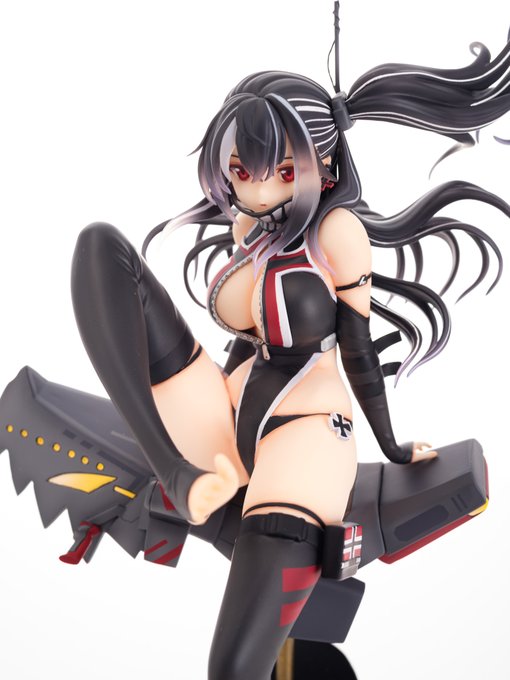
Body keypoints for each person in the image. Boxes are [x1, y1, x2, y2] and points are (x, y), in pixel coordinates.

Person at [70, 29, 510, 680]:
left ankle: (195, 483)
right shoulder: (249, 225)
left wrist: (392, 447)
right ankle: (173, 470)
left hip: (307, 433)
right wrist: (197, 422)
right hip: (229, 406)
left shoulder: (338, 232)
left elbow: (357, 348)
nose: (254, 191)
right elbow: (246, 330)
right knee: (100, 245)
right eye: (240, 171)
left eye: (278, 172)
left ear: (321, 164)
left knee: (232, 669)